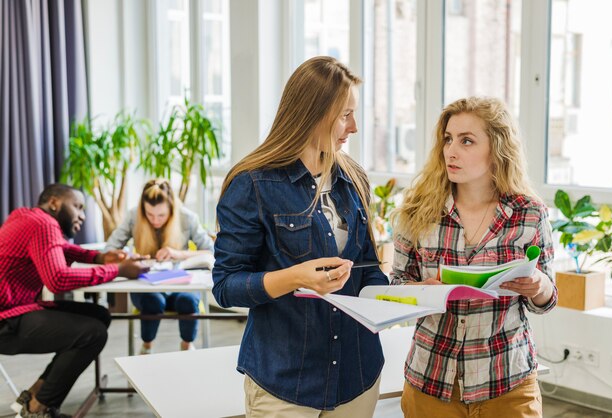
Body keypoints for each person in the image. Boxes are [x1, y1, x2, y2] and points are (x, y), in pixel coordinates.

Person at [212, 56, 388, 417]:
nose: (353, 127)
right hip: (285, 383)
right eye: (344, 114)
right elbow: (226, 286)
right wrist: (295, 278)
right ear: (311, 112)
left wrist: (406, 295)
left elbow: (367, 268)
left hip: (358, 374)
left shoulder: (354, 178)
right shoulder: (252, 184)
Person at [390, 97, 557, 418]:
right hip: (432, 382)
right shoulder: (416, 211)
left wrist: (537, 285)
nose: (451, 150)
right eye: (448, 139)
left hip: (508, 383)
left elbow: (548, 299)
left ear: (497, 148)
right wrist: (423, 290)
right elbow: (396, 286)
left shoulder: (529, 214)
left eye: (466, 141)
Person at [0, 183, 147, 418]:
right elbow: (57, 279)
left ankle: (35, 395)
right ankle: (39, 410)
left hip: (16, 308)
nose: (83, 215)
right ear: (54, 203)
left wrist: (99, 257)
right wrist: (117, 269)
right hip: (7, 320)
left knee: (99, 315)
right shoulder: (45, 223)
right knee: (93, 333)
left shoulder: (26, 217)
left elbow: (60, 250)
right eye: (77, 206)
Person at [105, 178, 214, 354]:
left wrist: (179, 254)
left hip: (180, 283)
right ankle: (146, 347)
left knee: (188, 301)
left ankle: (187, 346)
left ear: (172, 209)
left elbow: (211, 251)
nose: (155, 220)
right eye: (150, 215)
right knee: (153, 301)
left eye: (161, 215)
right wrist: (130, 256)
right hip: (145, 285)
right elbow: (110, 249)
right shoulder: (133, 216)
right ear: (142, 210)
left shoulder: (187, 218)